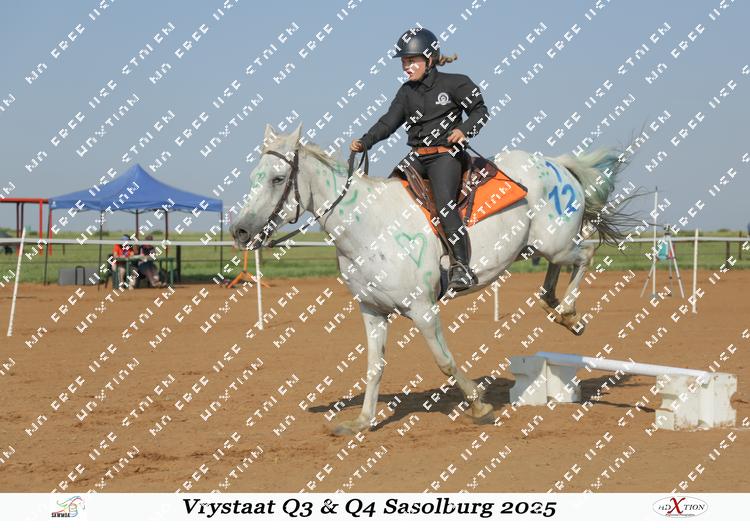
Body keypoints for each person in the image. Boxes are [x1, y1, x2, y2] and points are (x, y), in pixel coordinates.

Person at [351, 27, 489, 291]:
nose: (406, 66)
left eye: (411, 60)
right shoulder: (406, 93)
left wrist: (463, 130)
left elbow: (480, 111)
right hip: (416, 157)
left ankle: (462, 267)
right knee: (389, 197)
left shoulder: (456, 83)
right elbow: (388, 122)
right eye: (404, 61)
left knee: (444, 206)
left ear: (429, 59)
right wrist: (365, 141)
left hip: (446, 157)